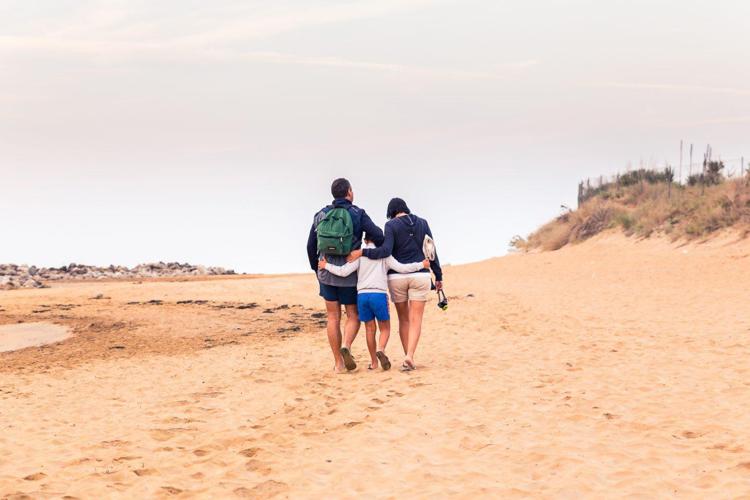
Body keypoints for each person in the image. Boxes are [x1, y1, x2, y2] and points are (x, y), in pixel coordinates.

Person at [347, 198, 443, 371]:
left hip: (397, 278)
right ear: (405, 208)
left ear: (391, 212)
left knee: (404, 319)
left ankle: (407, 356)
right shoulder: (423, 223)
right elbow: (431, 249)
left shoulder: (391, 225)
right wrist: (438, 276)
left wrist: (362, 252)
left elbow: (385, 251)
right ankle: (409, 357)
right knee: (416, 319)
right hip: (420, 275)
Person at [306, 178, 384, 373]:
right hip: (349, 275)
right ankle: (347, 346)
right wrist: (363, 249)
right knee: (352, 315)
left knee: (332, 317)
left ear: (334, 194)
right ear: (349, 192)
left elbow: (310, 246)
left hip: (326, 273)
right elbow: (379, 235)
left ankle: (339, 364)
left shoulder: (321, 214)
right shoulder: (358, 214)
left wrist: (317, 270)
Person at [319, 239, 429, 371]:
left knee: (370, 329)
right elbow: (402, 268)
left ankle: (373, 363)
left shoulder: (359, 255)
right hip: (379, 295)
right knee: (385, 329)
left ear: (365, 240)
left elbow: (343, 271)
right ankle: (381, 349)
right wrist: (421, 264)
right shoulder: (384, 255)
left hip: (362, 296)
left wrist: (326, 266)